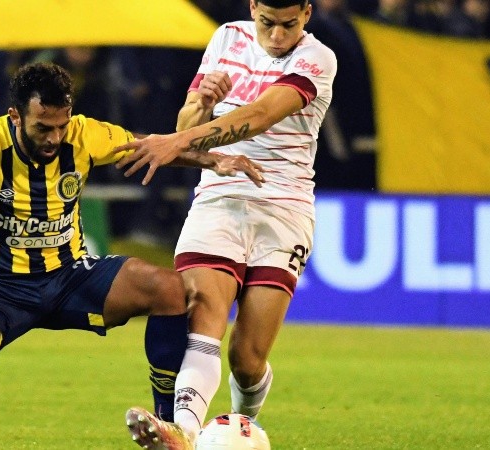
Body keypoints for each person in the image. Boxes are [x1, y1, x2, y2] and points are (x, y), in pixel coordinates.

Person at [0, 61, 264, 449]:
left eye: (60, 125)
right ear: (15, 117)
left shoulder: (84, 135)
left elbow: (147, 149)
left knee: (168, 288)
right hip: (0, 287)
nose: (54, 137)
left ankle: (170, 432)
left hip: (71, 277)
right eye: (42, 127)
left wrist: (213, 159)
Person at [118, 1, 337, 448]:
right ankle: (183, 431)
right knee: (204, 318)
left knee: (247, 357)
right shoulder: (226, 38)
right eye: (267, 23)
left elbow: (258, 117)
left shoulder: (318, 58)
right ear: (253, 7)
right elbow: (189, 118)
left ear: (307, 15)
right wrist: (202, 103)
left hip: (283, 208)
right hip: (219, 197)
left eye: (288, 25)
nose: (277, 36)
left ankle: (242, 424)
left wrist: (177, 140)